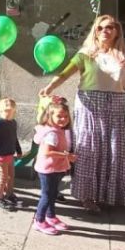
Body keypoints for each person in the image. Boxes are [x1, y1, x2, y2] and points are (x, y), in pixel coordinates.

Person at [39, 14, 125, 213]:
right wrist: (49, 87)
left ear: (117, 31)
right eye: (100, 28)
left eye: (109, 27)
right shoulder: (86, 54)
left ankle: (110, 193)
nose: (104, 31)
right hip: (88, 106)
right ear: (95, 32)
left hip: (116, 105)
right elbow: (65, 74)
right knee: (89, 151)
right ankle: (87, 197)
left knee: (114, 150)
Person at [32, 97, 78, 235]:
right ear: (50, 116)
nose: (63, 119)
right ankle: (39, 220)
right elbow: (47, 152)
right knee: (47, 195)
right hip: (48, 169)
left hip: (55, 168)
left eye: (66, 116)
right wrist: (67, 156)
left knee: (52, 194)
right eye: (59, 116)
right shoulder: (52, 133)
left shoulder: (58, 130)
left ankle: (50, 216)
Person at [0, 98, 23, 210]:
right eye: (6, 111)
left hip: (10, 155)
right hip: (0, 156)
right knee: (3, 178)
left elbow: (14, 138)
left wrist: (19, 150)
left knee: (11, 176)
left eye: (11, 111)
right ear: (0, 111)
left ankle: (9, 194)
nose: (8, 114)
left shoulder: (13, 123)